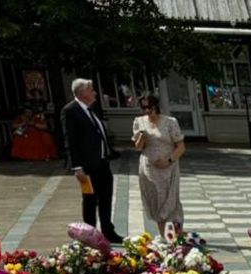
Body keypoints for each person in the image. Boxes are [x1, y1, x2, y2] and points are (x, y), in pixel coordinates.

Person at [61, 78, 122, 243]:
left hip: (102, 163)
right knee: (90, 200)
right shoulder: (71, 110)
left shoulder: (90, 110)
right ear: (81, 93)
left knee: (106, 198)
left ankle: (108, 231)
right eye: (91, 89)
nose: (94, 92)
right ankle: (89, 235)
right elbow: (71, 141)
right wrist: (77, 167)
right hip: (87, 167)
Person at [132, 93, 186, 239]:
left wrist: (169, 160)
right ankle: (165, 238)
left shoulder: (170, 122)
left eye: (149, 106)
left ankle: (176, 237)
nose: (146, 110)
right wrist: (141, 138)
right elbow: (138, 148)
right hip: (149, 168)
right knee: (156, 201)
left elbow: (181, 147)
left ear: (156, 105)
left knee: (171, 201)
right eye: (143, 107)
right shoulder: (139, 121)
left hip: (169, 167)